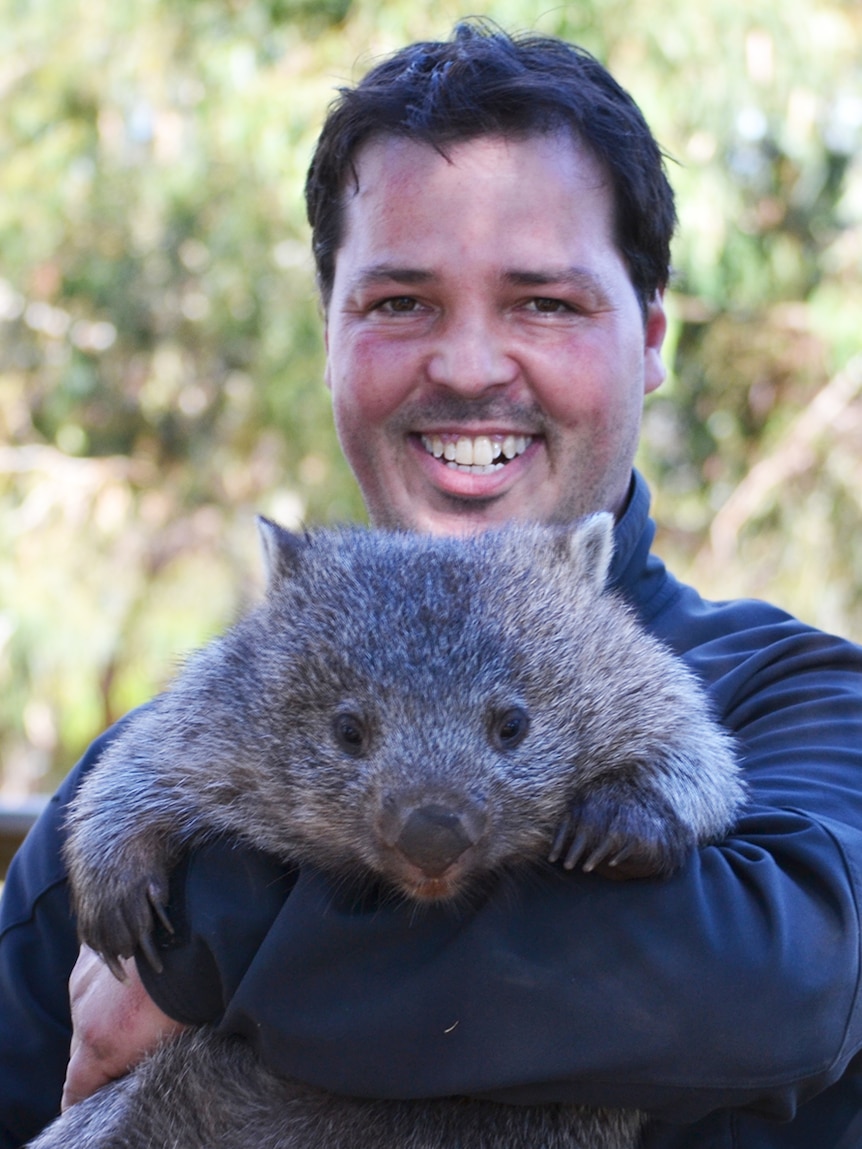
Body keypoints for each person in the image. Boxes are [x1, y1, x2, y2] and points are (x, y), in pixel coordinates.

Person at [3, 20, 862, 1148]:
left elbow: (770, 989)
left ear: (651, 337)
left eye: (543, 303)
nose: (465, 367)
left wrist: (214, 924)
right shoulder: (191, 737)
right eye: (399, 302)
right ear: (327, 338)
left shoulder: (798, 698)